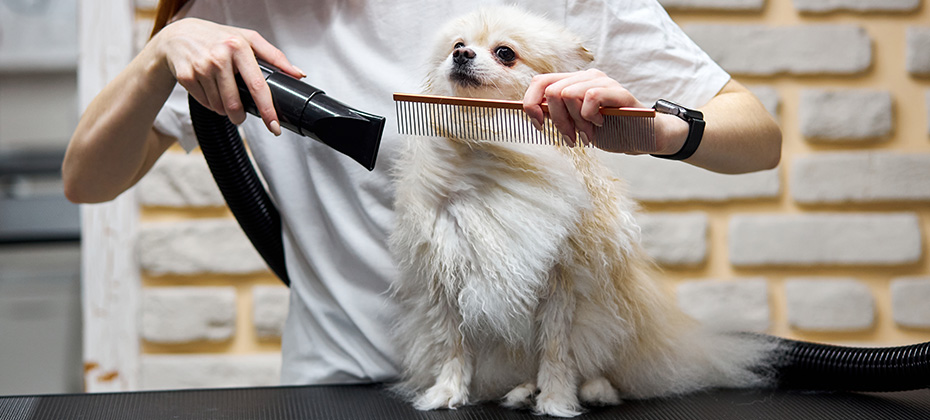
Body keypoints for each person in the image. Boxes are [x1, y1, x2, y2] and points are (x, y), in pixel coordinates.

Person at [62, 0, 781, 385]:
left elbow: (756, 136)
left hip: (528, 392)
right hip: (343, 385)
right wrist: (160, 55)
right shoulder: (241, 9)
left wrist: (655, 130)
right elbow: (87, 180)